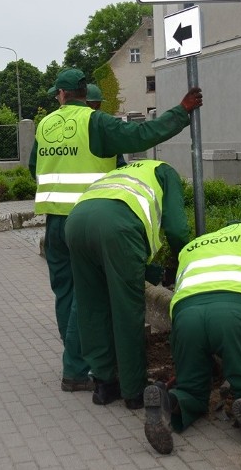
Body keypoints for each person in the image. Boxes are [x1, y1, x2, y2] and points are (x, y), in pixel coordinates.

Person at [29, 67, 202, 394]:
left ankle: (77, 364)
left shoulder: (45, 124)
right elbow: (142, 135)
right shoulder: (96, 122)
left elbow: (32, 169)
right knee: (87, 294)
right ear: (86, 96)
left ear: (63, 94)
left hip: (55, 222)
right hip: (92, 217)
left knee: (67, 293)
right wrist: (181, 113)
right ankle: (78, 368)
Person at [143, 221, 241, 469]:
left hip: (186, 319)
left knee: (191, 391)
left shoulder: (192, 246)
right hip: (234, 315)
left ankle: (169, 402)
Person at [65, 159, 191, 409]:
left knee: (92, 305)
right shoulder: (166, 171)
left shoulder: (123, 172)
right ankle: (134, 391)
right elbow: (176, 229)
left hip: (76, 222)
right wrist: (186, 259)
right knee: (127, 309)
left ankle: (104, 385)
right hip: (117, 228)